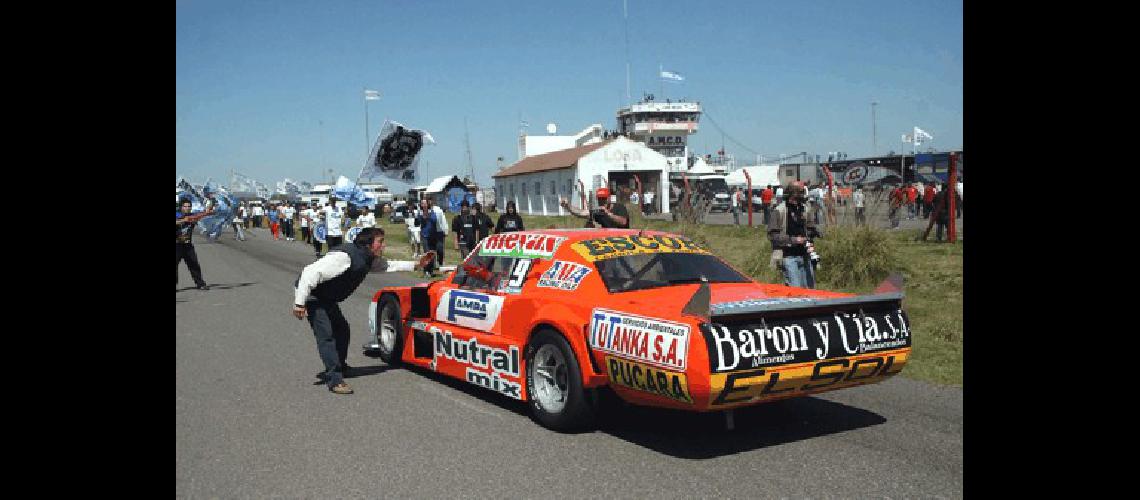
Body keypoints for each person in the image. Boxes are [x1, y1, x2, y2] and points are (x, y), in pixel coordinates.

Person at [292, 227, 434, 395]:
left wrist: (417, 264)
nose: (383, 246)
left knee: (342, 330)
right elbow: (309, 273)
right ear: (368, 244)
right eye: (380, 242)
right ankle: (335, 379)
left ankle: (341, 366)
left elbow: (390, 265)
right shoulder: (343, 257)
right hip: (313, 297)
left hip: (327, 298)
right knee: (327, 336)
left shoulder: (367, 258)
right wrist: (299, 303)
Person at [768, 183, 821, 289]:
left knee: (810, 290)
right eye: (801, 192)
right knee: (796, 292)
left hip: (806, 255)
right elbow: (772, 236)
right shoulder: (779, 210)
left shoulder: (805, 209)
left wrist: (814, 232)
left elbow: (810, 228)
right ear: (793, 193)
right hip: (789, 256)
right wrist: (794, 240)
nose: (804, 195)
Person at [177, 198, 215, 291]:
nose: (187, 208)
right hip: (177, 245)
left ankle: (200, 284)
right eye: (185, 206)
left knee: (194, 264)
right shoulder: (177, 214)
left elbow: (202, 215)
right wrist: (184, 220)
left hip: (188, 245)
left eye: (189, 206)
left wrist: (208, 212)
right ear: (181, 207)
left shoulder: (193, 216)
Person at [560, 187, 629, 228]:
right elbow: (581, 213)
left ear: (609, 198)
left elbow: (623, 222)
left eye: (604, 198)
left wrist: (608, 213)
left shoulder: (620, 207)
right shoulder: (598, 212)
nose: (602, 201)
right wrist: (568, 206)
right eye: (600, 198)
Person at [417, 198, 446, 276]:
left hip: (433, 235)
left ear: (427, 204)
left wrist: (428, 216)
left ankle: (431, 270)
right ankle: (426, 270)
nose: (424, 205)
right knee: (427, 253)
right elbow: (418, 221)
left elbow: (435, 220)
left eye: (425, 203)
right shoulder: (420, 212)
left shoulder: (432, 212)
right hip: (424, 235)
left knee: (432, 253)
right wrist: (422, 217)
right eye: (422, 203)